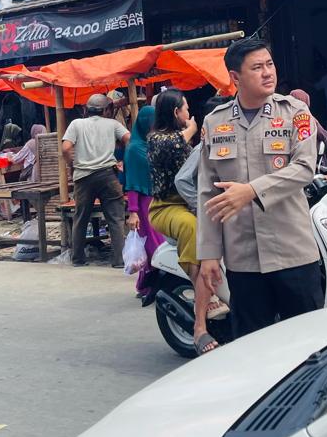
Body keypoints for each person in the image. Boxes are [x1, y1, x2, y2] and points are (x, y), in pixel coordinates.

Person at [197, 38, 321, 338]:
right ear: (235, 77)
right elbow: (208, 193)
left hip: (293, 252)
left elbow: (305, 168)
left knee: (307, 342)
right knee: (252, 345)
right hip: (244, 259)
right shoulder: (215, 122)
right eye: (257, 67)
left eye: (270, 64)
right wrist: (209, 254)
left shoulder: (295, 113)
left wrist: (251, 191)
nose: (268, 73)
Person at [147, 90, 228, 354]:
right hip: (168, 206)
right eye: (185, 109)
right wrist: (194, 129)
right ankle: (201, 320)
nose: (188, 113)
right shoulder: (158, 139)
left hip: (190, 203)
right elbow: (179, 170)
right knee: (193, 227)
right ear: (175, 112)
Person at [62, 93, 130, 268]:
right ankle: (119, 260)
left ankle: (78, 259)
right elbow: (129, 140)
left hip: (83, 177)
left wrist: (72, 165)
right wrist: (126, 161)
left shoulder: (76, 124)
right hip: (108, 175)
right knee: (115, 218)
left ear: (86, 109)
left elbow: (66, 148)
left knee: (80, 218)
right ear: (106, 110)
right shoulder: (113, 124)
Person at [122, 106, 163, 296]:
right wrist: (133, 211)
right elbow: (132, 182)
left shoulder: (151, 145)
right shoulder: (134, 149)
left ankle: (148, 285)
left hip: (158, 201)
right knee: (153, 246)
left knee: (157, 244)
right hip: (144, 205)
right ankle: (149, 285)